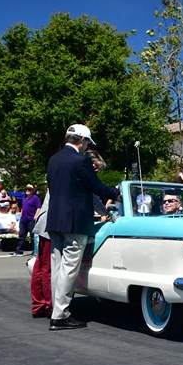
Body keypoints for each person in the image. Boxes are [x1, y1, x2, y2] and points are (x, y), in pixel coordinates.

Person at [46, 124, 120, 331]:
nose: (87, 146)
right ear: (81, 140)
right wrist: (116, 192)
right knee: (69, 269)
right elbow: (96, 187)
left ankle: (56, 310)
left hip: (55, 220)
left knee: (57, 268)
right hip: (75, 220)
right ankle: (60, 315)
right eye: (87, 142)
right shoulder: (81, 160)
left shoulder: (54, 160)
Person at [30, 193, 52, 318]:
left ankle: (39, 305)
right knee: (48, 268)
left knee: (41, 265)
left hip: (44, 222)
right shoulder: (77, 174)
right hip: (53, 224)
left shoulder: (56, 174)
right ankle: (50, 306)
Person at [12, 184, 41, 256]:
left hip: (31, 219)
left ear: (32, 190)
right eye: (26, 189)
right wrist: (21, 215)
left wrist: (35, 216)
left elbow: (38, 207)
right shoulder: (24, 197)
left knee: (33, 236)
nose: (27, 191)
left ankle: (35, 251)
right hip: (23, 219)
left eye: (29, 189)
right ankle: (19, 251)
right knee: (21, 235)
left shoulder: (35, 198)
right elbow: (23, 207)